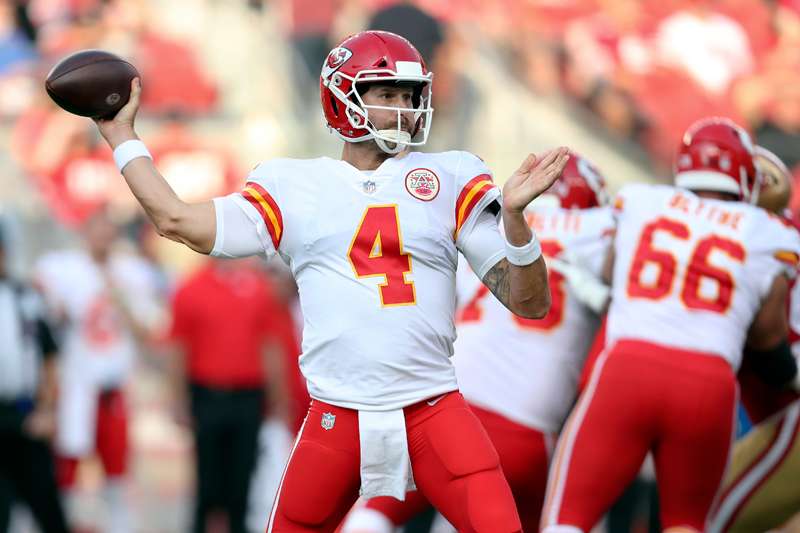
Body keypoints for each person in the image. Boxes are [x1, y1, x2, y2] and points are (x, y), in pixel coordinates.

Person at [92, 30, 569, 532]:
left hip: (433, 410)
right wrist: (121, 136)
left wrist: (515, 222)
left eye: (409, 96)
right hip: (337, 417)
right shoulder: (294, 185)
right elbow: (176, 220)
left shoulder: (450, 175)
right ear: (344, 96)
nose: (403, 109)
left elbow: (529, 302)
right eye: (386, 94)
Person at [541, 117, 800, 533]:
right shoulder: (769, 232)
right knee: (686, 523)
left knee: (569, 516)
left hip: (630, 365)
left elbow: (611, 269)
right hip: (709, 382)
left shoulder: (641, 201)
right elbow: (768, 333)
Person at [340, 152, 614, 533]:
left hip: (447, 406)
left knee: (377, 509)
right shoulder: (596, 232)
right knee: (559, 518)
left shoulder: (488, 227)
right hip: (526, 431)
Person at [34, 209, 161, 533]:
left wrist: (120, 297)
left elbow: (146, 330)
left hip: (112, 386)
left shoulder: (130, 273)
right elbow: (46, 318)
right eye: (96, 228)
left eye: (108, 229)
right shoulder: (63, 269)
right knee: (67, 471)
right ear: (84, 231)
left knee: (117, 473)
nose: (102, 236)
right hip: (75, 386)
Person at [708, 146, 800, 533]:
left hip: (789, 410)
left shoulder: (757, 240)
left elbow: (766, 337)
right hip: (775, 407)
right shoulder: (780, 232)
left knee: (710, 521)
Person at [167, 257, 295, 533]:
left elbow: (270, 345)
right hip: (207, 395)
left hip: (248, 397)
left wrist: (279, 396)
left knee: (242, 479)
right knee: (207, 481)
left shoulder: (257, 288)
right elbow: (178, 348)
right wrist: (177, 399)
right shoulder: (191, 288)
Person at [0, 220, 69, 533]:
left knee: (48, 507)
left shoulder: (25, 297)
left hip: (24, 412)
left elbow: (49, 357)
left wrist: (47, 409)